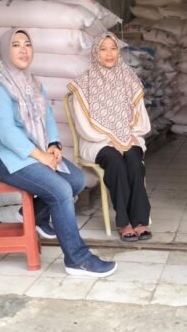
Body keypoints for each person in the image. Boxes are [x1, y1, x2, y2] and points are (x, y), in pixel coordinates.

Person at [0, 29, 117, 277]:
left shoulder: (32, 83)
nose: (24, 50)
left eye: (27, 44)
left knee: (76, 179)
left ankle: (32, 215)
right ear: (4, 51)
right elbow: (6, 134)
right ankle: (77, 259)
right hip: (3, 157)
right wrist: (42, 157)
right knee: (60, 189)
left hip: (34, 150)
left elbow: (48, 117)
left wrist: (53, 145)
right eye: (16, 45)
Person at [68, 33, 152, 242]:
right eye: (103, 49)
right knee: (115, 161)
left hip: (128, 137)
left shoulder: (128, 79)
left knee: (134, 159)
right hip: (97, 141)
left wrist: (131, 136)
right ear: (95, 53)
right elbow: (83, 125)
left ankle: (139, 220)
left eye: (113, 48)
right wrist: (108, 138)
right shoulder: (84, 84)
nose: (109, 53)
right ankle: (124, 222)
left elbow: (141, 116)